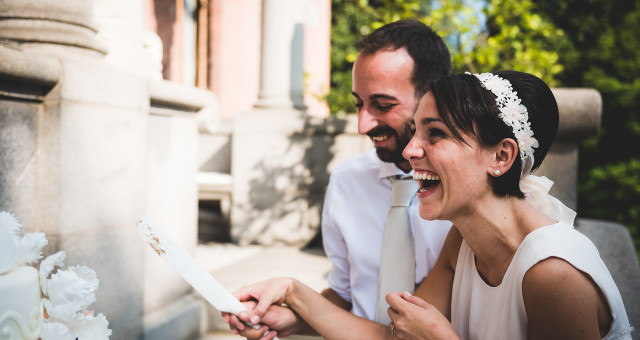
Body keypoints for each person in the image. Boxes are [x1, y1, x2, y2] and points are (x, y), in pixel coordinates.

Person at [227, 70, 633, 340]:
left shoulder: (552, 274)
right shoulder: (463, 241)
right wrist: (293, 293)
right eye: (416, 130)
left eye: (435, 134)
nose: (410, 149)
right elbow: (393, 335)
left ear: (501, 158)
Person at [223, 19, 453, 338]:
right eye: (359, 104)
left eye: (382, 105)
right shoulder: (347, 179)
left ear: (432, 97)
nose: (363, 125)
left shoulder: (466, 191)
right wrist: (291, 318)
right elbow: (344, 296)